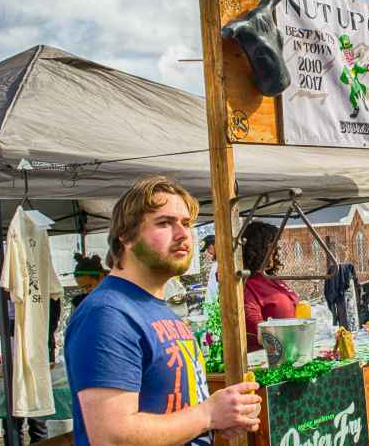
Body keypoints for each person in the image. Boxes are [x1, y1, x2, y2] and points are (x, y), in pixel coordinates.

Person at [65, 176, 261, 446]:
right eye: (164, 223)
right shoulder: (107, 314)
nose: (183, 234)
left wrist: (218, 420)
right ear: (126, 236)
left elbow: (172, 411)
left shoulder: (156, 309)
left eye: (186, 223)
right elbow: (112, 436)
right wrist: (207, 415)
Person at [241, 221, 300, 352]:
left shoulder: (273, 279)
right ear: (256, 249)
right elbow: (256, 328)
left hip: (293, 351)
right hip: (271, 360)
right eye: (270, 246)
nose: (276, 250)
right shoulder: (248, 286)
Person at [200, 234, 219, 303]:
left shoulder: (221, 264)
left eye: (208, 248)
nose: (208, 252)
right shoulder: (215, 263)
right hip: (212, 307)